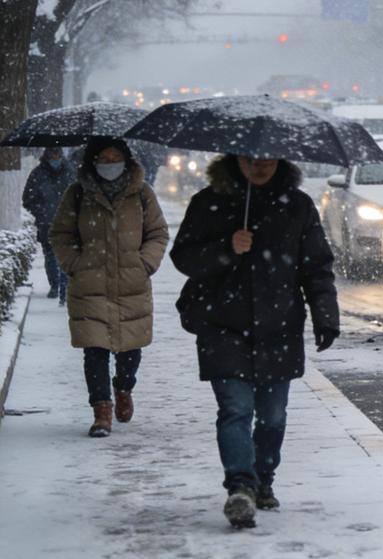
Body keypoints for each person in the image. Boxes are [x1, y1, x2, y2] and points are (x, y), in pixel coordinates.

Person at [170, 154, 340, 529]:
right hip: (223, 325)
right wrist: (228, 247)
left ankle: (264, 479)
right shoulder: (208, 201)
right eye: (251, 159)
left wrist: (325, 315)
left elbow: (316, 266)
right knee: (235, 409)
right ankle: (240, 487)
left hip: (278, 327)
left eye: (268, 160)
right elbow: (183, 257)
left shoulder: (297, 205)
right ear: (235, 159)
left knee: (273, 417)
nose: (260, 167)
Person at [49, 137, 168, 438]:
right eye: (104, 158)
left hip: (131, 284)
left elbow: (157, 233)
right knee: (95, 350)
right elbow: (60, 234)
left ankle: (124, 387)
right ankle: (101, 410)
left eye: (115, 157)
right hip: (91, 284)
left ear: (126, 161)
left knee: (131, 349)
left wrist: (145, 263)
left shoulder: (142, 193)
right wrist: (75, 263)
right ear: (93, 162)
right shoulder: (78, 194)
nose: (110, 163)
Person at [23, 147, 74, 303]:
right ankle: (55, 285)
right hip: (46, 223)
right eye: (52, 155)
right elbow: (27, 199)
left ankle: (65, 289)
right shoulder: (38, 174)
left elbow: (78, 195)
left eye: (58, 155)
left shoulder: (69, 173)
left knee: (65, 256)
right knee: (51, 256)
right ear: (47, 156)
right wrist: (42, 211)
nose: (56, 158)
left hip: (67, 223)